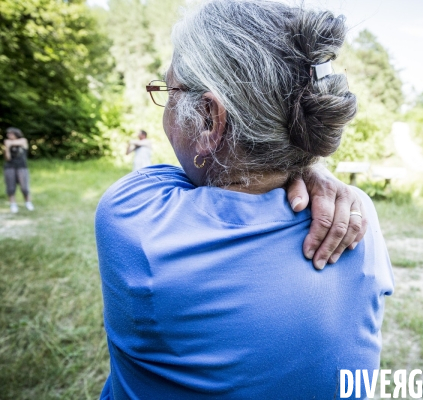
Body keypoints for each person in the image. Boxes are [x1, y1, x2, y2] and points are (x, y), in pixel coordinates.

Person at [96, 1, 394, 399]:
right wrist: (307, 166)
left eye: (169, 90)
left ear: (208, 118)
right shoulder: (357, 214)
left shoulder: (133, 216)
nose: (165, 107)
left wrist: (307, 170)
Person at [3, 127, 34, 213]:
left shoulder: (23, 140)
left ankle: (28, 202)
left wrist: (9, 143)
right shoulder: (7, 143)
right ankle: (13, 204)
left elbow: (21, 142)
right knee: (11, 187)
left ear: (16, 134)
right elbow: (8, 158)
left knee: (24, 187)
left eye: (10, 133)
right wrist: (7, 149)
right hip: (9, 167)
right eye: (8, 134)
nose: (8, 135)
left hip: (22, 166)